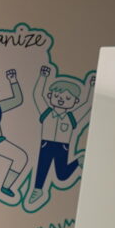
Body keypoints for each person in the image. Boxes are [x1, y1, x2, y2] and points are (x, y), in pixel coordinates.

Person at [32, 69, 89, 200]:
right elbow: (37, 96)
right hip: (45, 144)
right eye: (57, 96)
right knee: (42, 168)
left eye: (67, 98)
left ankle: (78, 160)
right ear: (50, 96)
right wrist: (43, 77)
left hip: (62, 147)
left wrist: (90, 87)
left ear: (75, 101)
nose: (61, 100)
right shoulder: (46, 112)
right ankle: (37, 190)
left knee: (62, 175)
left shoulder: (71, 117)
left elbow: (86, 106)